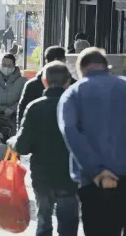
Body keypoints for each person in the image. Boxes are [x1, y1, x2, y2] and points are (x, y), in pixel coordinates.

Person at [58, 48, 126, 236]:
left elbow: (71, 132)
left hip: (93, 181)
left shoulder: (73, 94)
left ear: (80, 70)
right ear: (107, 66)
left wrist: (97, 171)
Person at [8, 62, 79, 236]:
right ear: (67, 82)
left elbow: (23, 146)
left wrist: (12, 142)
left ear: (45, 81)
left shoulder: (35, 107)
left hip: (43, 176)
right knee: (68, 224)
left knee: (43, 220)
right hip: (70, 176)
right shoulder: (77, 106)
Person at [17, 46, 76, 124]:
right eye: (64, 59)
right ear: (58, 60)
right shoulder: (73, 85)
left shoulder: (31, 85)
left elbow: (22, 113)